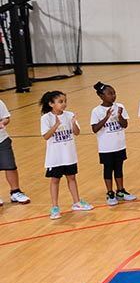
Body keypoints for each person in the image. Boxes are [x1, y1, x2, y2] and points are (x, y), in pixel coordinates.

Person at [40, 91, 92, 219]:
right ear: (51, 104)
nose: (64, 104)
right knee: (55, 181)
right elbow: (46, 136)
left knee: (72, 178)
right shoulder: (46, 118)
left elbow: (77, 132)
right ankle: (55, 207)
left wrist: (73, 123)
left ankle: (76, 202)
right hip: (55, 157)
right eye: (60, 102)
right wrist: (56, 125)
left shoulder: (69, 115)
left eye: (65, 101)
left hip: (69, 155)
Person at [91, 82, 135, 205]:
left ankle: (120, 191)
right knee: (108, 169)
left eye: (114, 93)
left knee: (119, 168)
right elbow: (95, 129)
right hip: (106, 147)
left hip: (119, 145)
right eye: (109, 94)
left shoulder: (119, 106)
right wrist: (106, 117)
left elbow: (124, 125)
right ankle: (110, 193)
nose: (113, 96)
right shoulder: (96, 111)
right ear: (101, 96)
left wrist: (119, 116)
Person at [0, 98, 30, 205]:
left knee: (10, 166)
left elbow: (6, 118)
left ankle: (15, 192)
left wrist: (2, 123)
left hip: (2, 139)